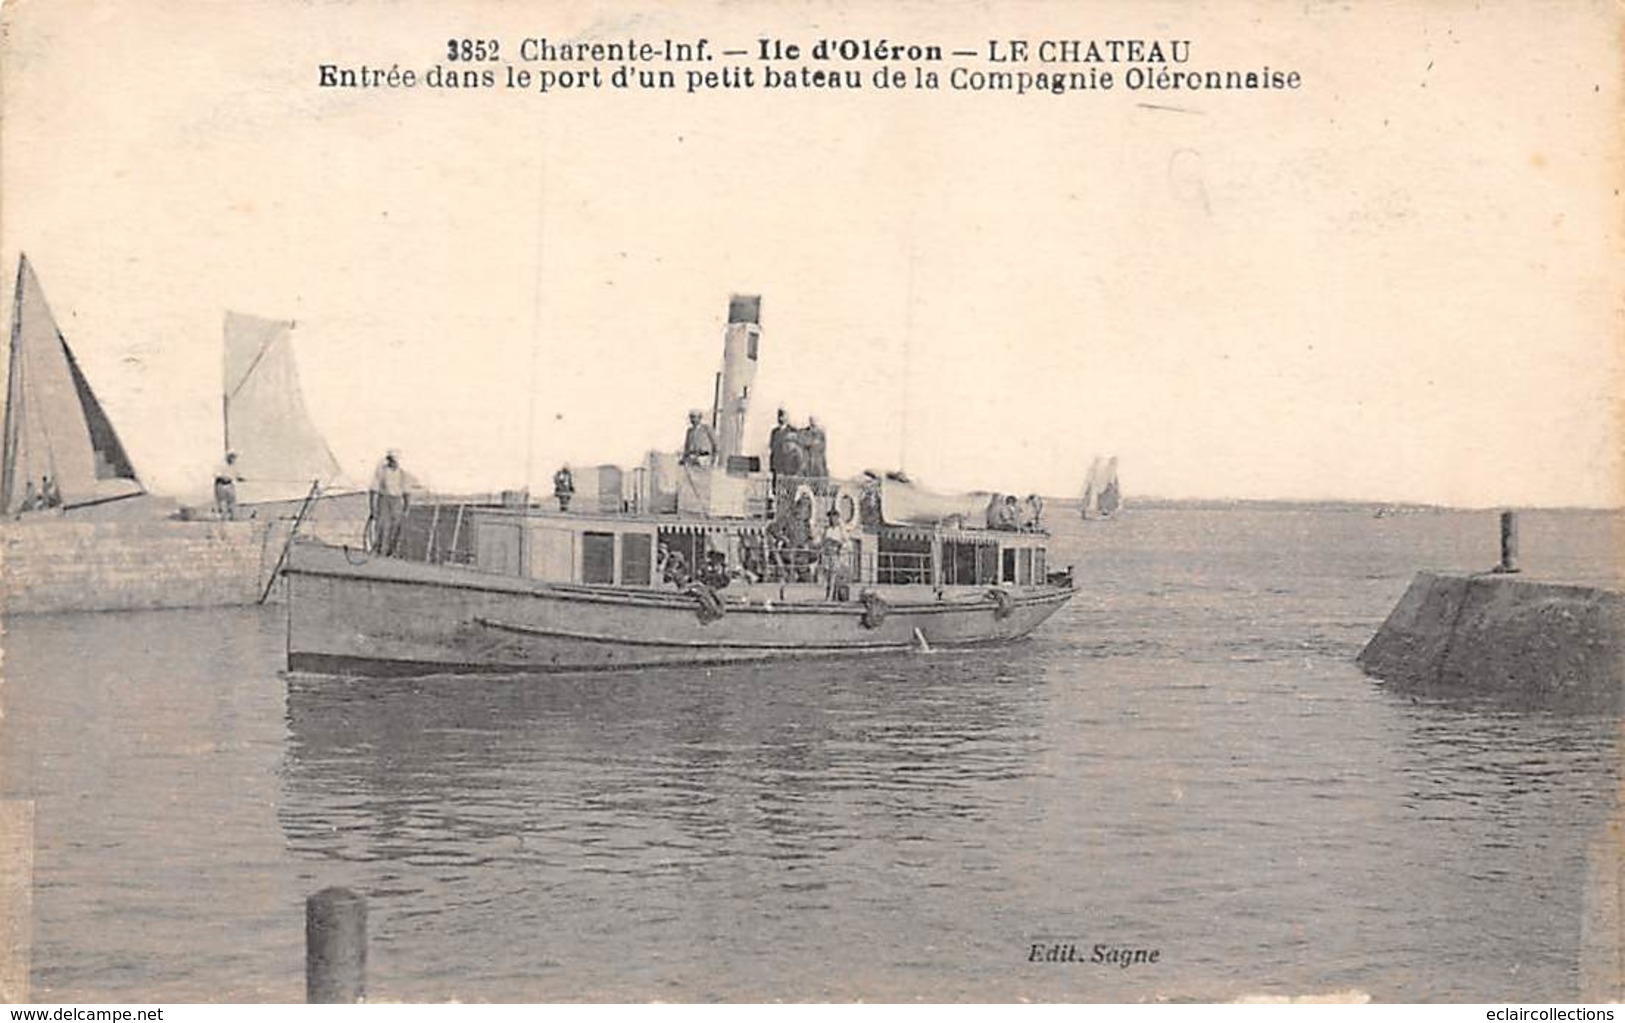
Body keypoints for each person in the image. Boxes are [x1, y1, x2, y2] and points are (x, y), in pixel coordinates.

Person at [371, 450, 410, 555]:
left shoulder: (403, 473)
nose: (392, 462)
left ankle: (391, 551)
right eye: (390, 460)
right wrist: (373, 507)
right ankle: (378, 549)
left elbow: (406, 492)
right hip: (384, 498)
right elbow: (373, 489)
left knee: (396, 525)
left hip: (396, 500)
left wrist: (406, 508)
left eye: (394, 460)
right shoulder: (382, 471)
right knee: (381, 524)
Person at [819, 507, 852, 601]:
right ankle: (830, 595)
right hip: (827, 555)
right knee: (827, 576)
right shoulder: (827, 530)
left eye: (834, 516)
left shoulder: (841, 530)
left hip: (837, 556)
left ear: (837, 517)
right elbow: (822, 541)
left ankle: (831, 597)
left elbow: (848, 543)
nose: (832, 519)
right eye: (830, 517)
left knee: (834, 576)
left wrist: (839, 545)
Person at [214, 452, 242, 520]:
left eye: (234, 458)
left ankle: (231, 517)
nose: (233, 460)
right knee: (222, 503)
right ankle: (221, 517)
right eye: (231, 458)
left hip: (230, 485)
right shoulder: (221, 466)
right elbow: (217, 477)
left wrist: (240, 478)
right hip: (221, 485)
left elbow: (236, 476)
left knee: (231, 502)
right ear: (228, 458)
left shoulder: (234, 467)